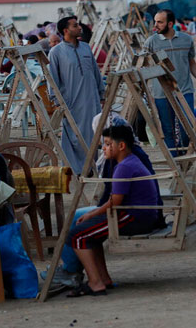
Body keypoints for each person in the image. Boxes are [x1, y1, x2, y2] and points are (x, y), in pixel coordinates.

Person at [66, 125, 161, 297]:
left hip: (135, 217)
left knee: (77, 236)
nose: (104, 147)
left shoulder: (124, 167)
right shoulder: (129, 161)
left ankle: (95, 283)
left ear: (121, 146)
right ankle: (103, 278)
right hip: (137, 214)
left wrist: (91, 214)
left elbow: (115, 200)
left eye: (108, 144)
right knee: (88, 233)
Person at [144, 10, 196, 153]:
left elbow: (192, 63)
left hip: (184, 90)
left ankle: (183, 155)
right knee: (167, 129)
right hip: (161, 93)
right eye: (155, 21)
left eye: (160, 22)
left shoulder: (186, 40)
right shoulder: (151, 42)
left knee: (187, 126)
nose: (156, 25)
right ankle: (176, 161)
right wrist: (147, 92)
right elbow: (145, 68)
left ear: (170, 24)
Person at [48, 16, 105, 174]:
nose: (79, 28)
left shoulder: (86, 48)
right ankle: (76, 169)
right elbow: (52, 79)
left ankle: (91, 167)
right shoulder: (56, 52)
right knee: (73, 136)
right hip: (71, 102)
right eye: (75, 26)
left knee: (92, 134)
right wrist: (57, 101)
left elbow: (96, 73)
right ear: (66, 31)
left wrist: (102, 94)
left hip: (91, 100)